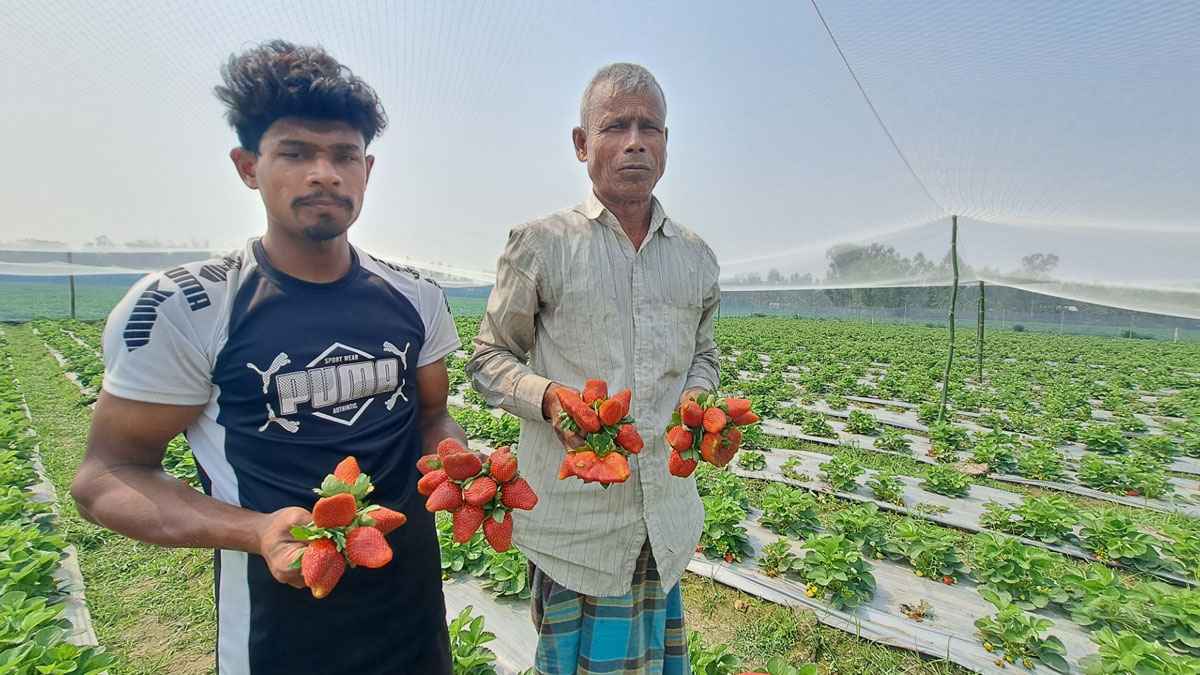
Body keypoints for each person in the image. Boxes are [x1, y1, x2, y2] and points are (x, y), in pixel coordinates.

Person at [70, 40, 463, 675]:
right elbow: (107, 476)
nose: (323, 173)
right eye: (296, 152)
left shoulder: (414, 297)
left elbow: (432, 417)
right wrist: (253, 531)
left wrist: (456, 467)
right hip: (278, 633)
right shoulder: (191, 307)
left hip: (411, 613)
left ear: (367, 169)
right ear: (248, 166)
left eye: (342, 155)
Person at [467, 62, 721, 674]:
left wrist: (698, 402)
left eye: (650, 127)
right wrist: (551, 397)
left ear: (665, 144)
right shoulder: (541, 242)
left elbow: (705, 356)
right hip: (575, 523)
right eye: (615, 126)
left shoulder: (696, 257)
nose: (635, 141)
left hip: (666, 516)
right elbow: (487, 358)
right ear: (582, 145)